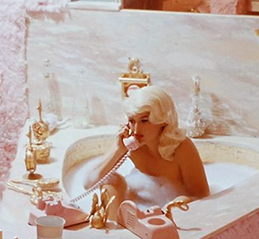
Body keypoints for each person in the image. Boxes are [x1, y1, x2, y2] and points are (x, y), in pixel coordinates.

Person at [82, 85, 209, 214]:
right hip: (135, 209)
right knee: (111, 182)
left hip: (168, 214)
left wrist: (172, 208)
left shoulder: (181, 147)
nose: (136, 130)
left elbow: (201, 196)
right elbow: (89, 184)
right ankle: (115, 230)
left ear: (162, 120)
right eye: (132, 121)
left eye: (144, 120)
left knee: (177, 204)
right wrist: (118, 149)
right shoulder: (131, 143)